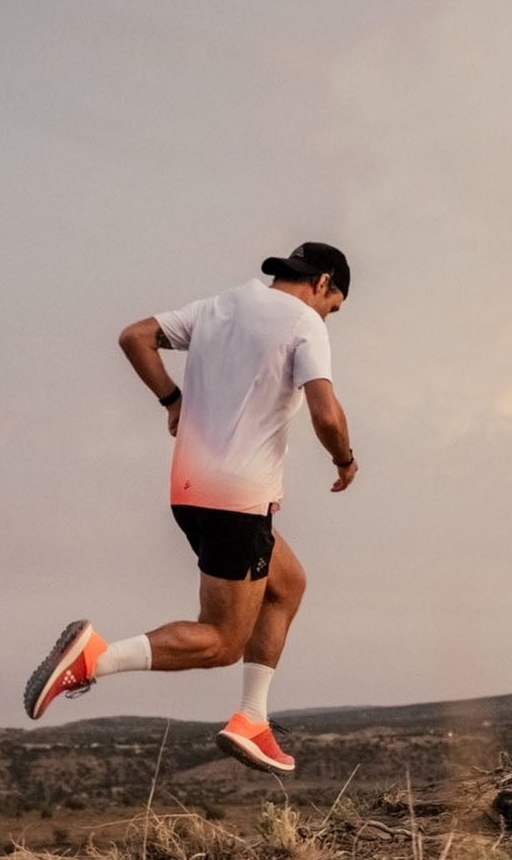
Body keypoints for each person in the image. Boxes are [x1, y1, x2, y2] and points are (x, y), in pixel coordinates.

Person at [21, 242, 358, 775]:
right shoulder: (304, 323)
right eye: (332, 306)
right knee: (223, 640)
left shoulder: (220, 306)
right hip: (237, 501)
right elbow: (327, 415)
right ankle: (94, 659)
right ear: (322, 284)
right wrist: (344, 458)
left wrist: (172, 400)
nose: (327, 316)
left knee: (287, 584)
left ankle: (252, 719)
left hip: (191, 490)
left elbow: (135, 337)